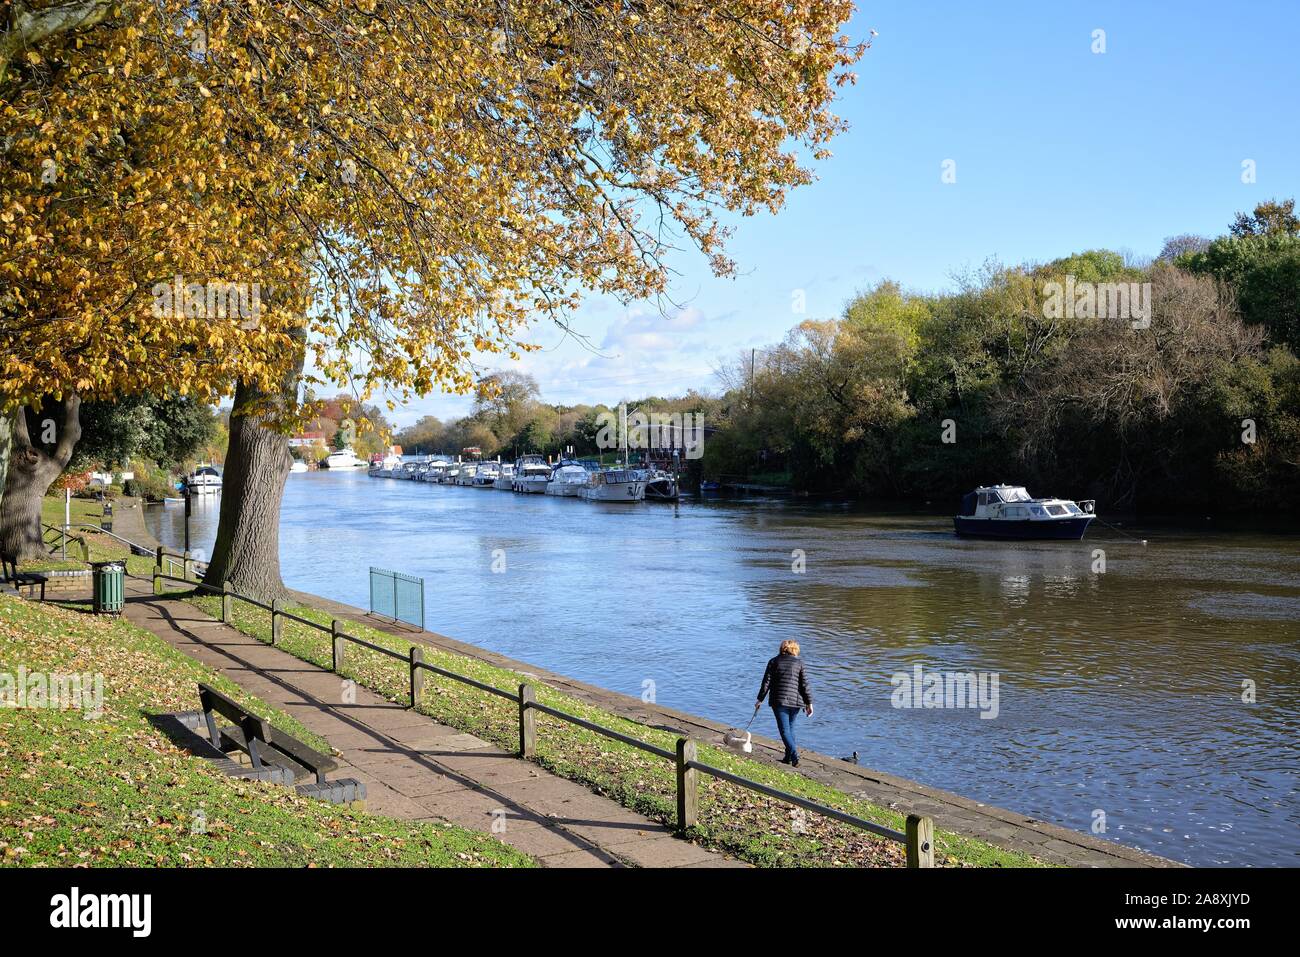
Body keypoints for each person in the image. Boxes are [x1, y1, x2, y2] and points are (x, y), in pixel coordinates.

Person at [756, 639, 813, 767]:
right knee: (790, 729)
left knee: (784, 730)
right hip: (796, 702)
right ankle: (788, 758)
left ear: (782, 648)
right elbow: (805, 685)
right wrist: (809, 703)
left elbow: (766, 683)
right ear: (795, 649)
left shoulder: (773, 661)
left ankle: (794, 756)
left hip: (779, 701)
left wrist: (760, 699)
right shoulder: (799, 663)